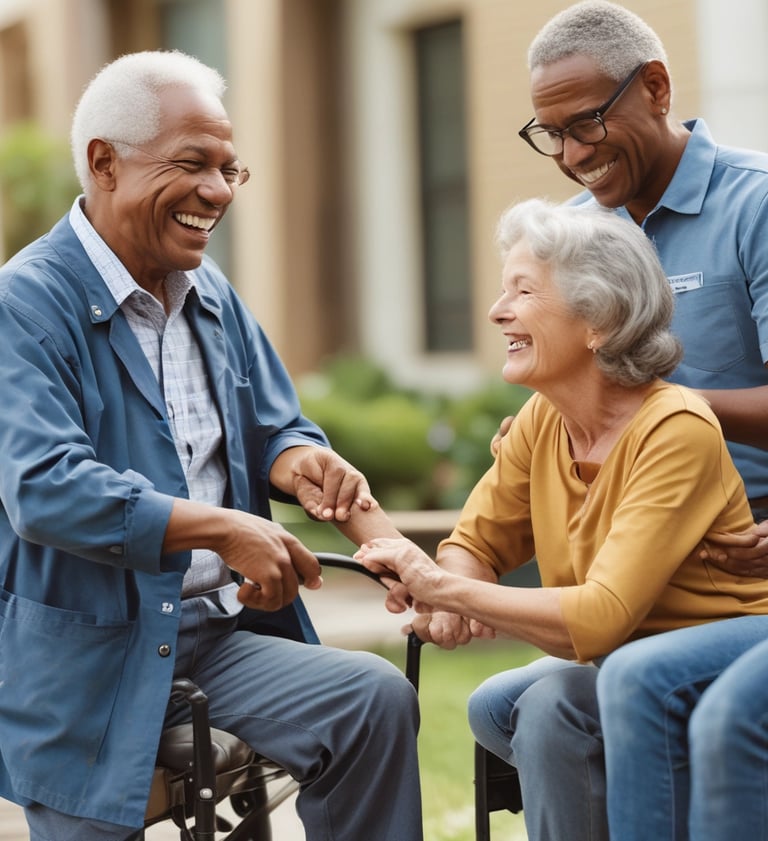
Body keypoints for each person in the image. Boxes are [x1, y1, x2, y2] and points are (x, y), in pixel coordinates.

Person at [0, 50, 423, 841]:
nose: (219, 192)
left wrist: (301, 463)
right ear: (105, 164)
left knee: (372, 700)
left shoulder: (209, 291)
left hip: (215, 639)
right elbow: (46, 488)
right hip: (86, 669)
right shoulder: (24, 303)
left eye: (232, 170)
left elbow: (275, 425)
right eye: (194, 165)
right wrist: (226, 528)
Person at [355, 197, 768, 839]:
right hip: (634, 647)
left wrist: (445, 588)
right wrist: (455, 597)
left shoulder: (675, 427)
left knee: (605, 686)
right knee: (513, 705)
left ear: (598, 320)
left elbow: (599, 622)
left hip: (735, 633)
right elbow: (476, 541)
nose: (497, 311)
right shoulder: (543, 420)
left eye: (523, 291)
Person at [474, 2, 768, 839]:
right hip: (636, 585)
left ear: (656, 88)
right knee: (511, 703)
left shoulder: (755, 206)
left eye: (588, 123)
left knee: (603, 693)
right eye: (549, 134)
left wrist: (648, 414)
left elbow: (644, 412)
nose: (570, 156)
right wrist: (565, 418)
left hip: (736, 579)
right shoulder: (582, 235)